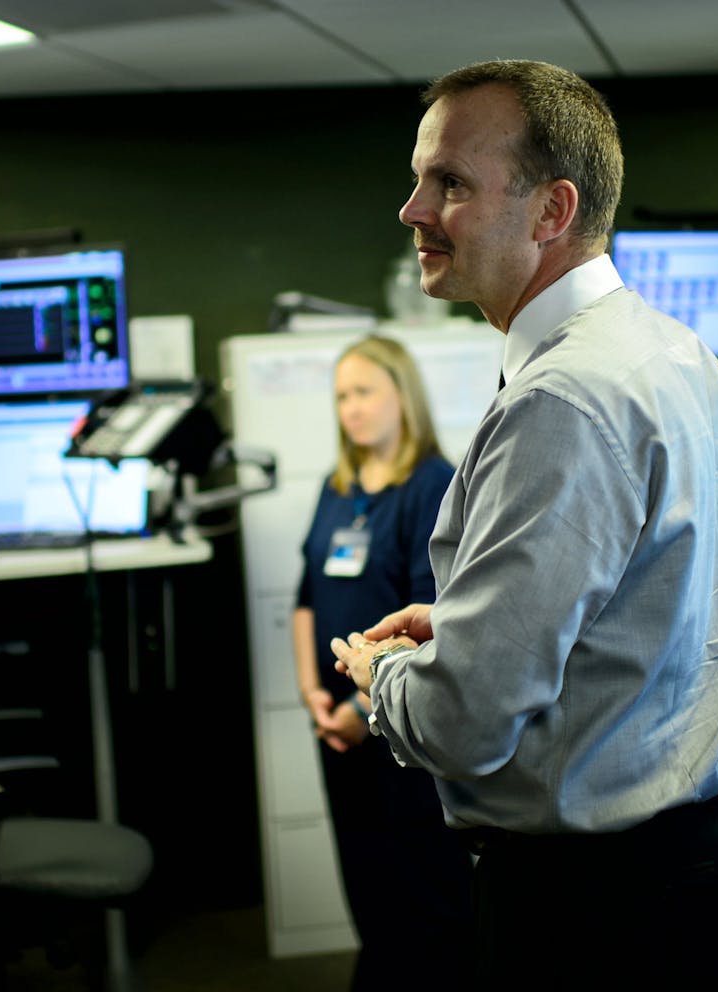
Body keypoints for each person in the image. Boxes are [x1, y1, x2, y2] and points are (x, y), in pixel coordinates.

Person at [328, 60, 718, 990]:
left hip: (599, 908)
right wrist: (470, 629)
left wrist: (387, 675)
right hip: (693, 863)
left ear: (552, 210)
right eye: (420, 179)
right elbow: (653, 605)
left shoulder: (562, 399)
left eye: (449, 183)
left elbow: (465, 723)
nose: (412, 210)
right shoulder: (663, 346)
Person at [293, 334, 474, 991]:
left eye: (365, 391)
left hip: (396, 719)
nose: (351, 408)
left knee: (422, 881)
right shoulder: (335, 487)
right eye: (342, 395)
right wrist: (313, 694)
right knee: (364, 871)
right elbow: (307, 600)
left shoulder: (431, 484)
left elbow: (431, 619)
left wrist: (358, 707)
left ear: (404, 395)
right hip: (335, 726)